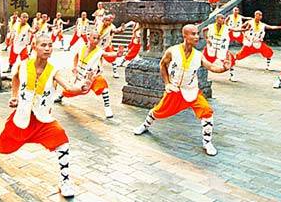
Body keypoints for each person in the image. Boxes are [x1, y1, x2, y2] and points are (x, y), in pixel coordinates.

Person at [0, 35, 96, 198]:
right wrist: (14, 96)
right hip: (21, 118)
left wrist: (83, 86)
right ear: (34, 46)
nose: (48, 48)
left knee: (62, 141)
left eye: (50, 45)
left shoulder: (53, 70)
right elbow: (14, 78)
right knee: (4, 144)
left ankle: (64, 180)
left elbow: (70, 87)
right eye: (43, 45)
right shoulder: (22, 65)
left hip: (43, 119)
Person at [133, 24, 232, 156]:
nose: (197, 36)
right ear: (184, 35)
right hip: (175, 90)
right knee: (158, 111)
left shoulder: (198, 55)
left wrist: (224, 68)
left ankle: (207, 142)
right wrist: (167, 83)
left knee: (207, 112)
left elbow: (213, 67)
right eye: (193, 34)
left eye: (197, 33)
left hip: (192, 91)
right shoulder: (172, 51)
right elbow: (162, 64)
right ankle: (145, 125)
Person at [54, 29, 118, 119]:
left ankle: (107, 107)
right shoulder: (82, 48)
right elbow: (76, 56)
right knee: (70, 91)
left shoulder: (99, 51)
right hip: (80, 78)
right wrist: (74, 67)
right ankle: (61, 96)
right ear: (89, 38)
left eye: (98, 39)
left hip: (93, 77)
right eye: (94, 38)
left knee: (102, 83)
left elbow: (107, 54)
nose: (96, 40)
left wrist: (117, 54)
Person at [203, 13, 236, 81]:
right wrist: (206, 39)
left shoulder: (226, 27)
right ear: (217, 19)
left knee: (231, 60)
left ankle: (232, 75)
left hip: (221, 48)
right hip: (211, 48)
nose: (223, 20)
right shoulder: (211, 26)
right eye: (221, 18)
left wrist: (244, 30)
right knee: (203, 61)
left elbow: (235, 29)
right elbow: (204, 30)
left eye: (224, 18)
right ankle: (202, 76)